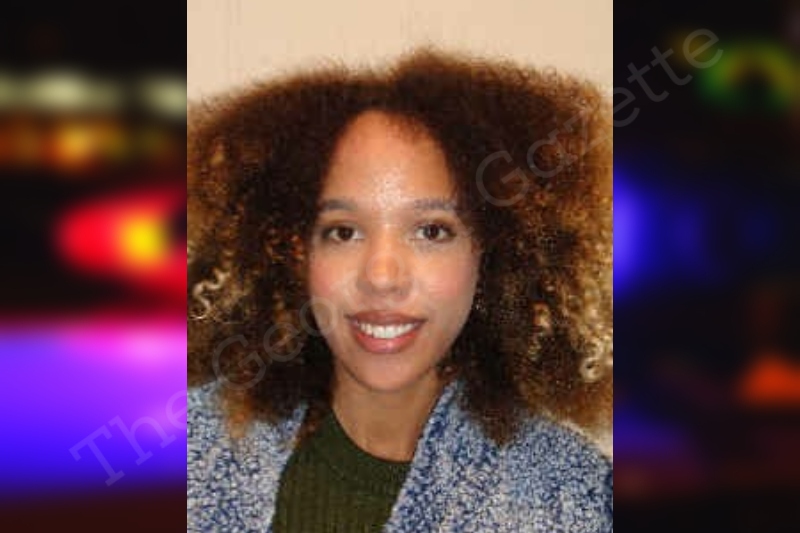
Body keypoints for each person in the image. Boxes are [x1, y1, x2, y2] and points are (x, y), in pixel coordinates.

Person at [187, 48, 613, 532]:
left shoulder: (567, 502)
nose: (382, 276)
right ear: (291, 252)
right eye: (343, 231)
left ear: (492, 254)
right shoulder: (183, 457)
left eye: (431, 231)